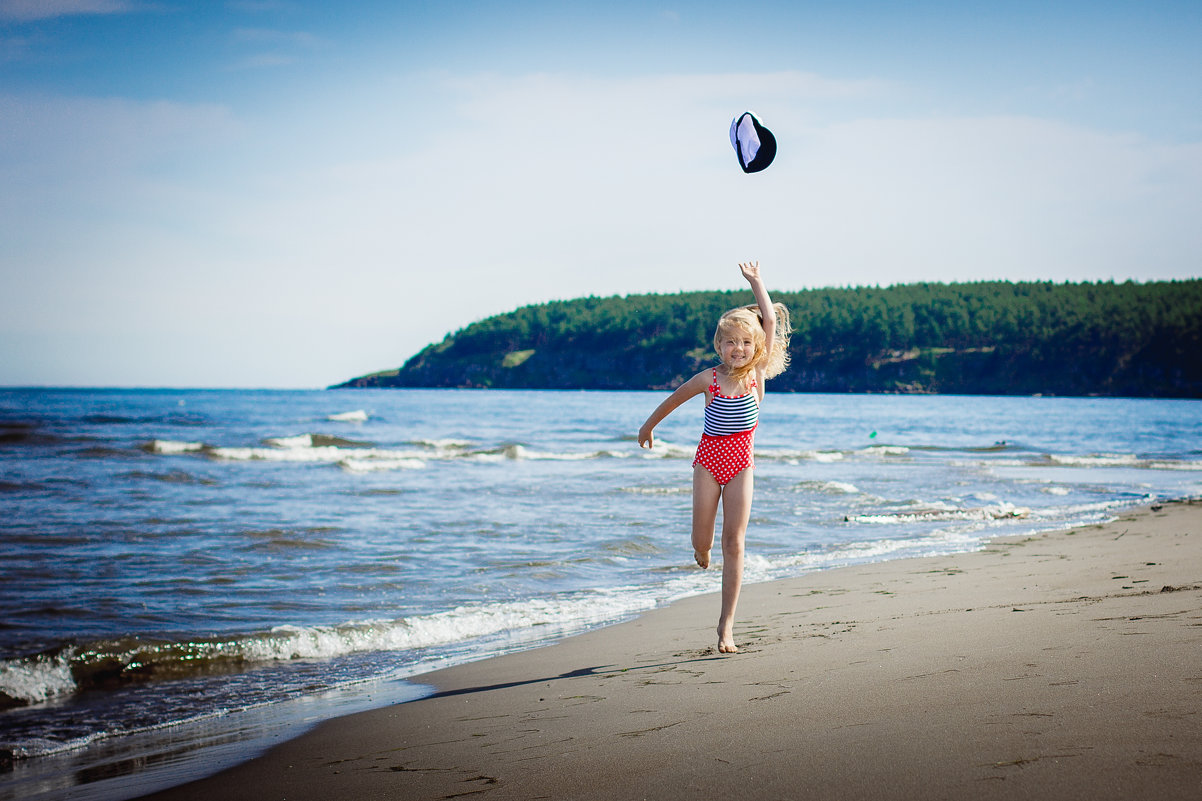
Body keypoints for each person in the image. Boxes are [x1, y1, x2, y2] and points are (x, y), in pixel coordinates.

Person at [638, 262, 791, 653]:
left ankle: (726, 627)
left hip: (742, 465)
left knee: (734, 543)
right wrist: (648, 427)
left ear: (756, 347)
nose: (737, 349)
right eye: (729, 343)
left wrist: (757, 282)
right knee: (703, 539)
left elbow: (769, 320)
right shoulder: (708, 379)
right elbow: (673, 398)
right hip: (707, 463)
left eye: (744, 342)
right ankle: (700, 549)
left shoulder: (756, 375)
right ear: (718, 346)